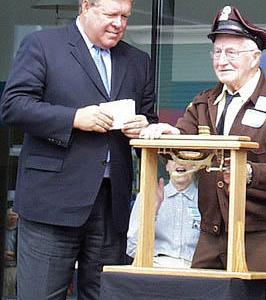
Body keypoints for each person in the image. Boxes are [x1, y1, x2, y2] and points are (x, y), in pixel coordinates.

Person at [0, 0, 158, 299]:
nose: (119, 23)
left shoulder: (138, 60)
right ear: (85, 6)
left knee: (104, 295)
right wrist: (73, 118)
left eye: (125, 16)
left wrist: (144, 127)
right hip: (52, 201)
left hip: (112, 205)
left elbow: (150, 119)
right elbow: (13, 106)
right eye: (111, 14)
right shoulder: (43, 45)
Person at [140, 5, 266, 282]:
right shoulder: (204, 102)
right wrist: (168, 138)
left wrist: (251, 173)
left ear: (255, 58)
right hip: (211, 235)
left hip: (261, 238)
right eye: (217, 52)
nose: (222, 60)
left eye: (231, 53)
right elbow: (183, 147)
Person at [127, 158, 200, 268]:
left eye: (185, 159)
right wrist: (152, 212)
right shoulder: (149, 195)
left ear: (195, 166)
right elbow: (132, 248)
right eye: (173, 159)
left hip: (195, 270)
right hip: (156, 268)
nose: (180, 163)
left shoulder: (207, 200)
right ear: (166, 166)